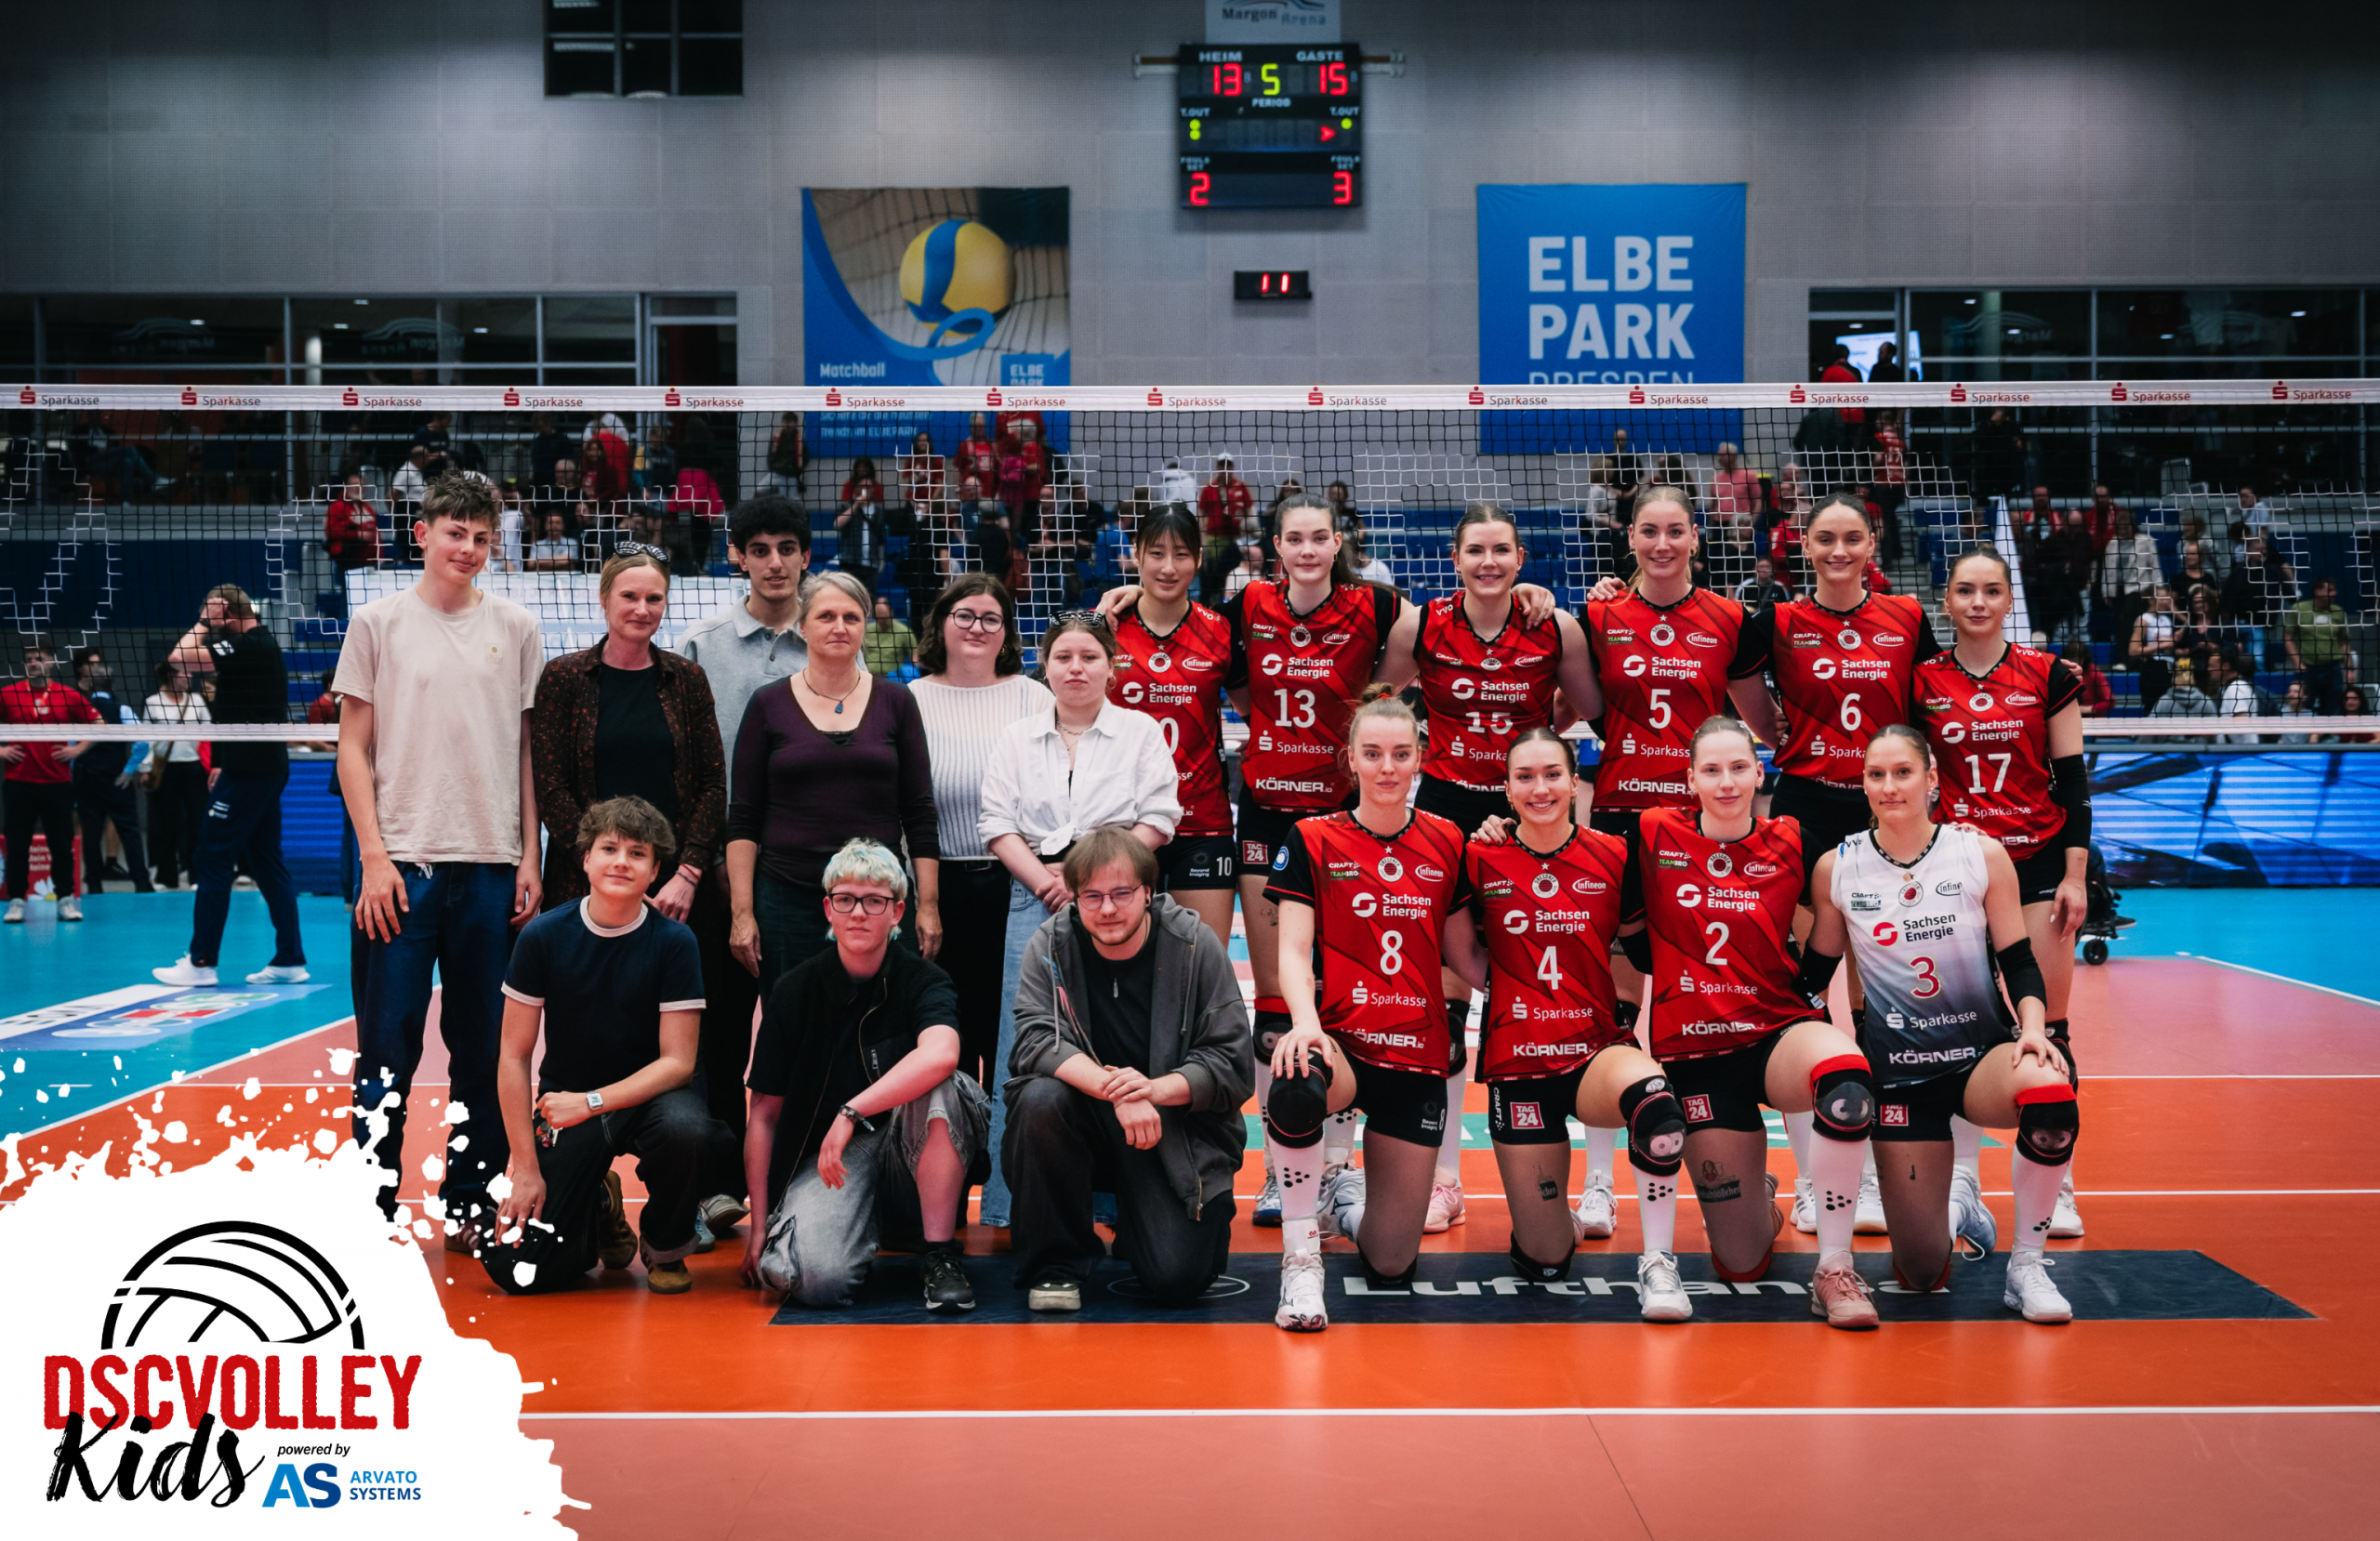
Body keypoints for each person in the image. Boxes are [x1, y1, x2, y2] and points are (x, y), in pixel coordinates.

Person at [1096, 496, 1555, 1230]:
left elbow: (1454, 618)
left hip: (1343, 819)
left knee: (1342, 991)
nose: (1307, 550)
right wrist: (1132, 591)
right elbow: (1196, 633)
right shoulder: (1247, 605)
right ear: (1275, 546)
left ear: (1338, 543)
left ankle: (1341, 1166)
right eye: (1294, 539)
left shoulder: (1376, 605)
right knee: (1277, 1000)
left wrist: (1528, 592)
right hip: (1268, 812)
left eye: (1320, 538)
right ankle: (1282, 1172)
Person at [1377, 501, 1607, 1234]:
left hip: (1528, 810)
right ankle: (1444, 1180)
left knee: (1553, 990)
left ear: (1519, 558)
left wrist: (1534, 745)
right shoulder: (1420, 625)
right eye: (1475, 550)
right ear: (1455, 559)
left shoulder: (1553, 626)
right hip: (1445, 811)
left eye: (1501, 550)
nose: (1488, 561)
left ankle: (1588, 1184)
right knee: (1445, 1008)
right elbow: (1376, 693)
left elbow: (1590, 705)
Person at [1806, 726, 2078, 1320]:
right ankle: (1961, 1208)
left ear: (1931, 779)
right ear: (1863, 785)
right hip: (1900, 1079)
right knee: (1923, 1272)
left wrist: (2035, 1029)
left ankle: (2027, 1266)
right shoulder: (1838, 867)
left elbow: (2019, 961)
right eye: (1876, 775)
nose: (1889, 786)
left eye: (1903, 772)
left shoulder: (1978, 853)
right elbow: (1814, 975)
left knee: (2052, 1093)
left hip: (1980, 1061)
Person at [1621, 717, 1883, 1327]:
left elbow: (1841, 898)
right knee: (1741, 1264)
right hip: (1697, 1055)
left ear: (1759, 773)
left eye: (1739, 767)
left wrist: (1811, 981)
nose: (1727, 782)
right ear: (1690, 779)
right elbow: (1621, 912)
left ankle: (1835, 1268)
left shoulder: (1790, 839)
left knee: (1846, 1080)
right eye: (1711, 770)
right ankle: (1757, 1196)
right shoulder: (1654, 832)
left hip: (1776, 1033)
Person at [335, 474, 546, 1231]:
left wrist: (530, 856)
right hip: (402, 869)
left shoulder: (517, 627)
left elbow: (526, 751)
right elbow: (352, 749)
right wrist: (374, 857)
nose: (469, 548)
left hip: (492, 869)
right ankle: (371, 1207)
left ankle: (469, 1202)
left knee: (484, 1052)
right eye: (456, 533)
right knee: (385, 1050)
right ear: (422, 534)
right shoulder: (377, 623)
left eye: (482, 537)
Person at [1736, 493, 1940, 1234]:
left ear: (1871, 544)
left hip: (1884, 806)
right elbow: (1740, 684)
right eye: (1825, 538)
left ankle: (1883, 1174)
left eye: (1853, 538)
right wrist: (1779, 735)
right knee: (1807, 994)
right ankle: (1813, 1179)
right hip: (1806, 808)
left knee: (1885, 991)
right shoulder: (1779, 621)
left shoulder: (1906, 617)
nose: (1839, 551)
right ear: (1806, 546)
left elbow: (1934, 699)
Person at [1451, 731, 1692, 1321]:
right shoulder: (1476, 857)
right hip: (1518, 1062)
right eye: (1525, 777)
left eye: (1553, 774)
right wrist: (1507, 990)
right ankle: (1549, 1222)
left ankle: (1659, 1261)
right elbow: (1460, 954)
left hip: (1595, 1051)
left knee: (1656, 1105)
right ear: (1507, 791)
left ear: (1575, 781)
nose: (1541, 788)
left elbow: (1638, 952)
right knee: (1547, 1259)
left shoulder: (1614, 854)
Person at [529, 547, 735, 1231]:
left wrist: (685, 872)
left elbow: (712, 783)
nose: (642, 609)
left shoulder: (685, 680)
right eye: (630, 597)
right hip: (587, 887)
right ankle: (589, 1188)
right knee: (583, 1031)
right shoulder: (564, 679)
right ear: (604, 600)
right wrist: (610, 872)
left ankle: (689, 1200)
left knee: (686, 1044)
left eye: (654, 599)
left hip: (678, 892)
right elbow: (551, 786)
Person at [1261, 688, 1480, 1331]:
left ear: (1420, 760)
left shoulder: (1448, 839)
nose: (1388, 767)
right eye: (1374, 753)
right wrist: (1306, 1025)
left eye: (1401, 754)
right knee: (1296, 1080)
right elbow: (1291, 952)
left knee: (1391, 1261)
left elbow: (1466, 957)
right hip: (1345, 1043)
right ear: (1351, 759)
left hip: (1417, 1054)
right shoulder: (1313, 837)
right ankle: (1301, 1258)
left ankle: (1343, 1208)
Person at [977, 613, 1182, 1229]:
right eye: (1063, 656)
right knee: (1022, 1045)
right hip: (1033, 896)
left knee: (1119, 1036)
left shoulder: (1140, 732)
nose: (1076, 668)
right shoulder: (1017, 737)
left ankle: (1122, 1202)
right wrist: (1048, 883)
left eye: (1090, 657)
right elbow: (997, 823)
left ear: (1111, 667)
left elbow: (1160, 816)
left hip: (1119, 896)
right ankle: (1013, 1206)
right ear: (1045, 666)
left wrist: (1094, 879)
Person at [1915, 546, 2094, 1241]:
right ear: (1948, 601)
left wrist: (2075, 874)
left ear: (2008, 599)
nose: (1979, 602)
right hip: (1958, 867)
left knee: (2048, 1027)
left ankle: (2060, 1182)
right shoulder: (1922, 679)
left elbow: (2073, 782)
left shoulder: (2048, 675)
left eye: (1992, 590)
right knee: (1961, 1030)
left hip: (2037, 861)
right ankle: (1964, 1180)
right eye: (1966, 590)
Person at [1002, 825, 1254, 1312]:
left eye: (1121, 893)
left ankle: (1141, 1231)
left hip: (1172, 1128)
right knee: (1039, 1099)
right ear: (1075, 898)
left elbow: (1231, 1062)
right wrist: (1118, 1091)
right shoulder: (1051, 944)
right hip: (1087, 1117)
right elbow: (1034, 1040)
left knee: (1178, 1279)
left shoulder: (1194, 944)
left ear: (1148, 891)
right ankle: (1055, 1265)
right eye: (1092, 896)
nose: (1108, 909)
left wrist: (1154, 1091)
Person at [742, 838, 989, 1314]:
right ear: (828, 910)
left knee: (942, 1085)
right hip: (834, 1164)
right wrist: (759, 1227)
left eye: (874, 901)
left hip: (907, 1151)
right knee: (811, 1280)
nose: (858, 913)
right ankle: (857, 1228)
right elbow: (764, 1116)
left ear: (897, 913)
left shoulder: (925, 980)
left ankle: (939, 1254)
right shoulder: (793, 991)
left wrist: (851, 1111)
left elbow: (942, 1054)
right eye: (845, 899)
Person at [480, 797, 715, 1297]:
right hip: (565, 1104)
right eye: (609, 849)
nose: (622, 862)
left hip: (650, 1100)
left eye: (638, 853)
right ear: (586, 860)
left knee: (688, 1129)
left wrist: (590, 1103)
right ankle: (600, 1206)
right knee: (517, 1270)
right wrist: (525, 1168)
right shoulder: (542, 936)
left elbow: (678, 1064)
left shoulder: (675, 942)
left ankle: (665, 1246)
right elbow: (514, 1057)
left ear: (655, 871)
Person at [673, 494, 813, 1221]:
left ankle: (800, 1182)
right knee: (720, 1032)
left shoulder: (831, 635)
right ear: (738, 557)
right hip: (716, 868)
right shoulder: (700, 646)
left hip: (800, 873)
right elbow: (687, 765)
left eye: (787, 548)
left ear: (806, 557)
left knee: (798, 1029)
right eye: (760, 549)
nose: (775, 563)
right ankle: (720, 1185)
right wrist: (709, 860)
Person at [726, 571, 940, 991]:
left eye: (851, 617)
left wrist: (928, 905)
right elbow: (744, 817)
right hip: (787, 901)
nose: (839, 627)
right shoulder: (768, 704)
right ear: (802, 627)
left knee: (883, 1021)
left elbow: (919, 812)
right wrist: (742, 912)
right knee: (795, 1023)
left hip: (878, 900)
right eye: (826, 616)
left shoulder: (898, 701)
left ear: (864, 627)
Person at [907, 575, 1050, 1100]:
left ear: (1007, 632)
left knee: (1013, 1028)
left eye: (992, 618)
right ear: (941, 623)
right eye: (964, 615)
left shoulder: (1034, 698)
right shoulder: (910, 700)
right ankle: (952, 1147)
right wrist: (921, 898)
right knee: (949, 1035)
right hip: (936, 887)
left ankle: (1008, 1153)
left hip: (1019, 886)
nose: (977, 628)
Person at [151, 586, 308, 986]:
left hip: (251, 771)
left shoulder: (250, 644)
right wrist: (220, 760)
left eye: (213, 611)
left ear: (227, 612)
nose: (207, 619)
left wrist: (205, 621)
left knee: (212, 857)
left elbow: (178, 659)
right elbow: (232, 707)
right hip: (256, 766)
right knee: (266, 860)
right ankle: (290, 960)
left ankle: (201, 962)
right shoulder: (250, 647)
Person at [1105, 507, 1240, 954]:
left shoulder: (1220, 631)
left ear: (1198, 559)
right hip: (1121, 819)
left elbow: (1253, 710)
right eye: (1156, 553)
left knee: (1203, 964)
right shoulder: (1103, 626)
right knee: (1120, 965)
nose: (1168, 567)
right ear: (1136, 556)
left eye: (1181, 554)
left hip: (1201, 821)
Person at [1, 635, 97, 923]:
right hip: (19, 783)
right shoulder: (8, 694)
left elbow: (99, 723)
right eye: (29, 660)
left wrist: (78, 748)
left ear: (52, 662)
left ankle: (66, 899)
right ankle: (16, 901)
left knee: (61, 845)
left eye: (39, 659)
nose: (33, 664)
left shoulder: (68, 695)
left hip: (57, 783)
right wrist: (1, 750)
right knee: (18, 845)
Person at [69, 648, 152, 895]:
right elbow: (143, 743)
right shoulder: (122, 709)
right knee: (130, 832)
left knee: (91, 833)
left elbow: (71, 746)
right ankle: (142, 882)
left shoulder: (82, 710)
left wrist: (77, 772)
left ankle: (94, 884)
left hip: (87, 780)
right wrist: (129, 769)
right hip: (118, 779)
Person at [142, 659, 211, 889]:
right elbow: (146, 738)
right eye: (185, 673)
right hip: (165, 770)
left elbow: (209, 733)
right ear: (171, 676)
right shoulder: (153, 702)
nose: (190, 677)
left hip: (194, 768)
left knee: (197, 823)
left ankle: (196, 876)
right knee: (165, 824)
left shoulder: (197, 700)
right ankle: (166, 877)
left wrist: (211, 765)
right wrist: (145, 768)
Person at [2285, 576, 2353, 715]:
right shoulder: (2299, 609)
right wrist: (2297, 662)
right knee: (2303, 706)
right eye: (2330, 590)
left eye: (2334, 590)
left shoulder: (2338, 612)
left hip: (2332, 668)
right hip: (2307, 668)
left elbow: (2343, 642)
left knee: (2333, 707)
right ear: (2317, 591)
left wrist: (2349, 669)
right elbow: (2288, 638)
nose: (2334, 593)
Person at [834, 479, 892, 597]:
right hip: (850, 563)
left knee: (868, 599)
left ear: (873, 489)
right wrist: (856, 505)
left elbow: (881, 538)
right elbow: (837, 525)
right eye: (862, 486)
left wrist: (881, 561)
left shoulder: (879, 511)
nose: (866, 489)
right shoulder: (846, 506)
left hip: (871, 565)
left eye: (869, 486)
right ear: (856, 488)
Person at [2128, 584, 2180, 713]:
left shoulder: (2166, 619)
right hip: (2153, 670)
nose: (2165, 602)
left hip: (2170, 668)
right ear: (2151, 600)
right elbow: (2133, 650)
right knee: (2153, 709)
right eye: (2162, 598)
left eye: (2167, 598)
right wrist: (2162, 645)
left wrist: (2175, 647)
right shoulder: (2144, 620)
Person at [1197, 454, 1251, 564]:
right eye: (1222, 466)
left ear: (1233, 468)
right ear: (1217, 467)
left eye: (1228, 466)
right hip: (1215, 536)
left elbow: (1249, 511)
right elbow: (1201, 513)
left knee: (1236, 566)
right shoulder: (1209, 488)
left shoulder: (1240, 487)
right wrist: (1202, 537)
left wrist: (1246, 532)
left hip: (1236, 536)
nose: (1225, 469)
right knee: (1216, 566)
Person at [324, 474, 382, 573]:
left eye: (361, 485)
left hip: (371, 564)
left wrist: (380, 557)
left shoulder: (368, 507)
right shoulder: (337, 507)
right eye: (354, 484)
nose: (358, 488)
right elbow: (331, 531)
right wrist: (356, 534)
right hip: (349, 563)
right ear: (346, 487)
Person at [2206, 648, 2263, 745]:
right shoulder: (2230, 687)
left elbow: (2242, 724)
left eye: (2212, 666)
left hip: (2241, 751)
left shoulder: (2236, 689)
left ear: (2225, 666)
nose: (2209, 669)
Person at [862, 595, 916, 677]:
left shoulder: (904, 631)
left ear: (891, 612)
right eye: (879, 618)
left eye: (885, 618)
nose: (882, 622)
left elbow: (915, 657)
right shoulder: (867, 630)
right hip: (869, 676)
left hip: (893, 678)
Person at [2063, 641, 2113, 717]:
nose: (2072, 663)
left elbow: (2110, 701)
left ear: (2084, 659)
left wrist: (2088, 709)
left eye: (2076, 659)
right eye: (2070, 659)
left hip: (2091, 719)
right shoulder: (2062, 673)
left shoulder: (2095, 674)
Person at [766, 413, 808, 501]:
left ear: (795, 423)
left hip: (793, 473)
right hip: (779, 472)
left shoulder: (799, 440)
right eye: (786, 422)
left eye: (791, 422)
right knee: (780, 496)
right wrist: (773, 468)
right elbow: (771, 455)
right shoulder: (776, 438)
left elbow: (805, 456)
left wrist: (799, 469)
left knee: (793, 498)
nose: (788, 425)